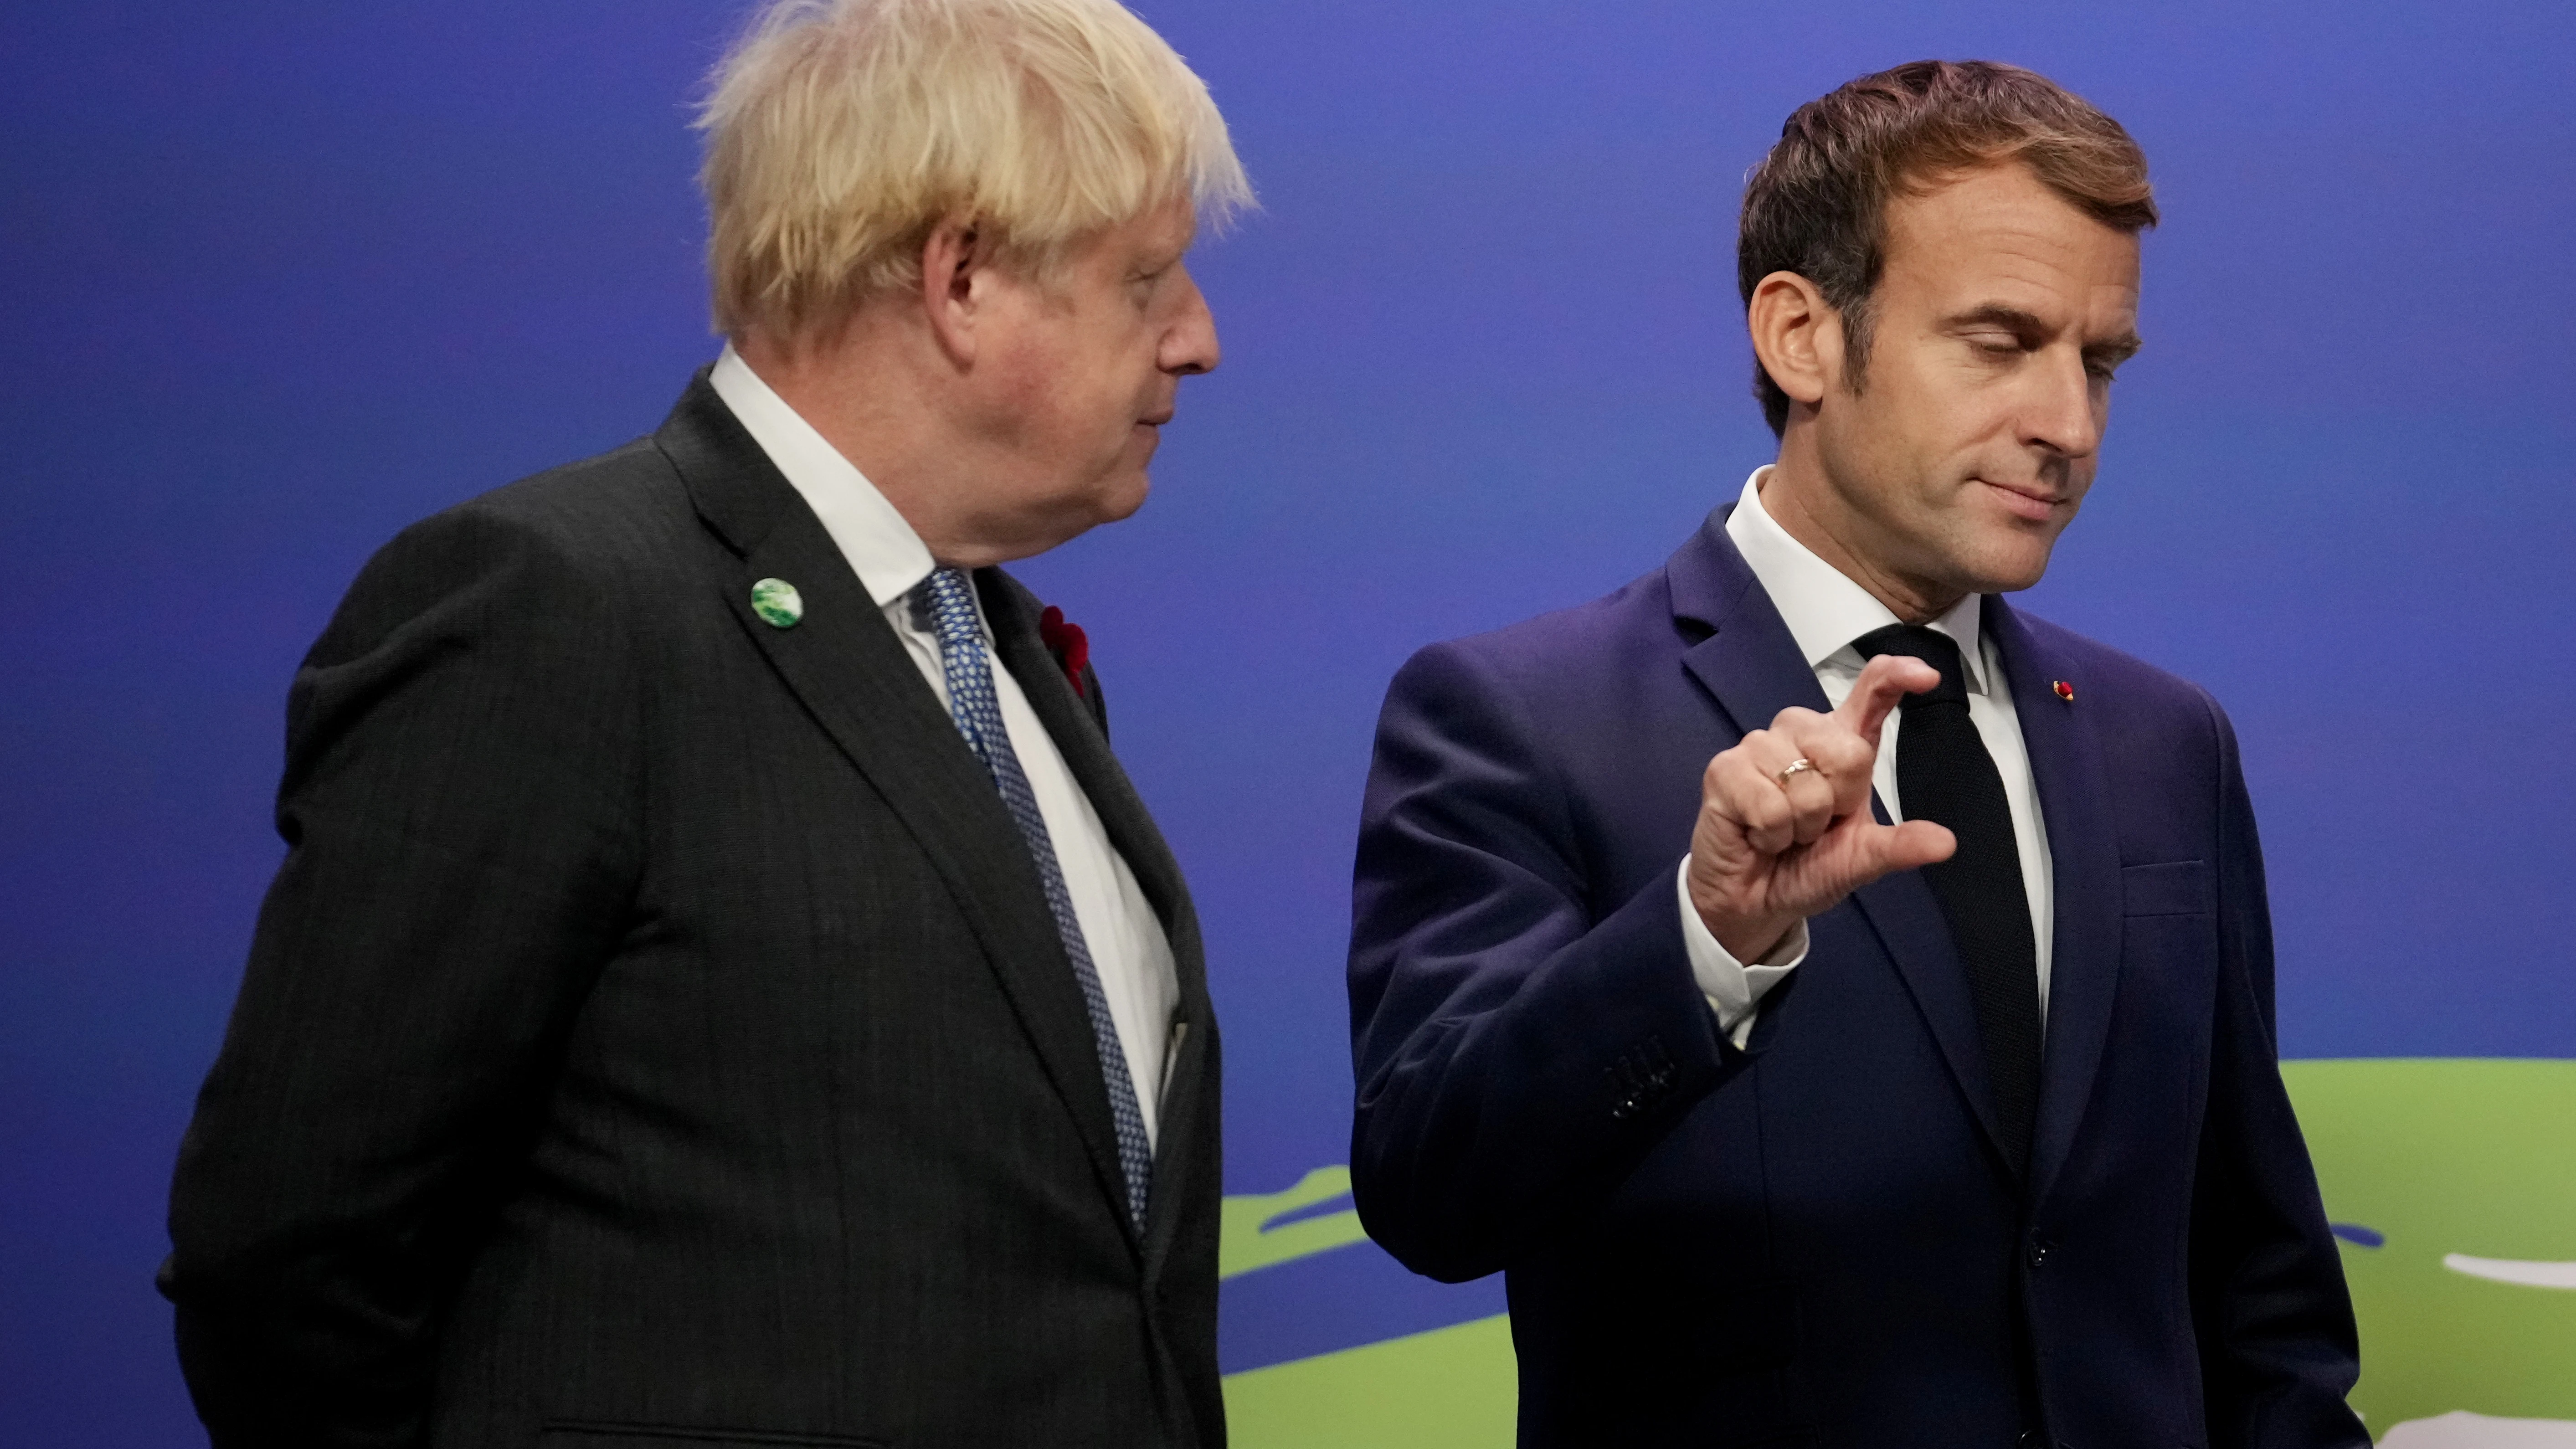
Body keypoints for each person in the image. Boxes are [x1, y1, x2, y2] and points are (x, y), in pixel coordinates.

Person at [158, 1, 1249, 1444]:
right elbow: (290, 1254)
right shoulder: (557, 611)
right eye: (1148, 280)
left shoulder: (996, 650)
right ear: (963, 277)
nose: (1199, 342)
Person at [1347, 60, 2366, 1446]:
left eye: (2099, 362)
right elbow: (1430, 1190)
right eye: (1999, 342)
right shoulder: (1518, 716)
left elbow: (2256, 1286)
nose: (2066, 425)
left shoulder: (2160, 741)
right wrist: (1704, 937)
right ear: (1800, 335)